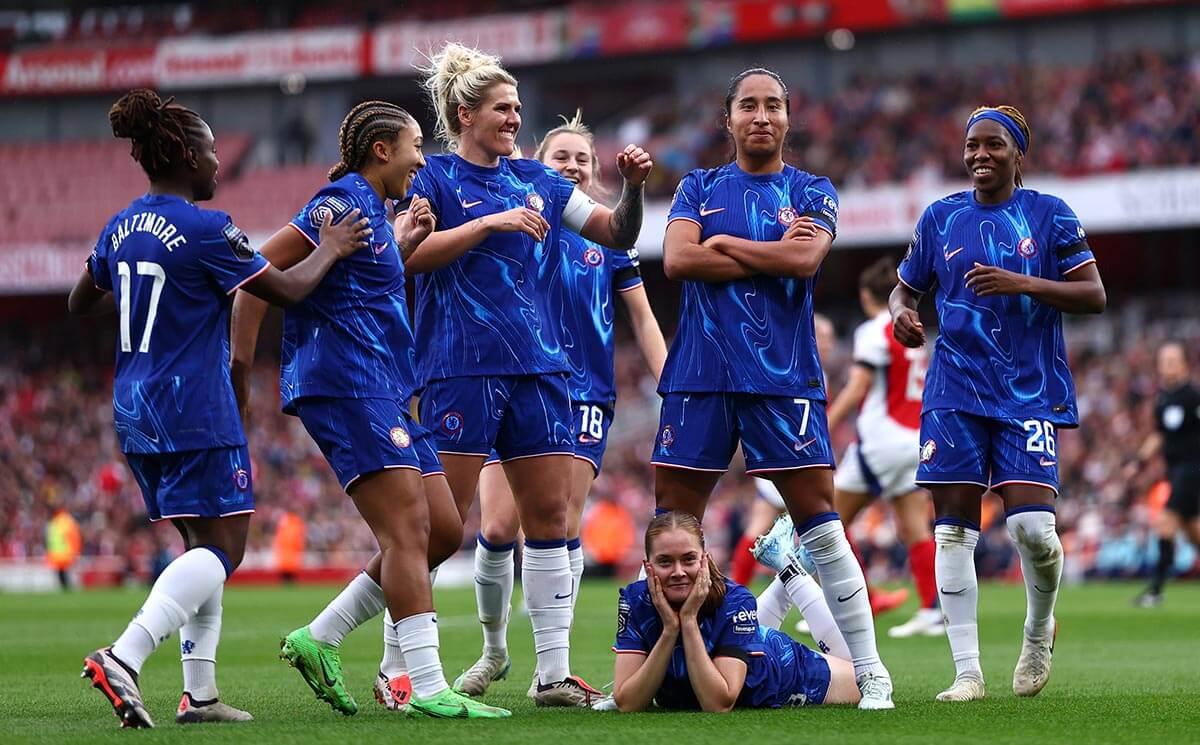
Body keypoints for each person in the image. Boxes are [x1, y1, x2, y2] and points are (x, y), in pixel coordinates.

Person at [72, 88, 370, 728]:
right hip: (193, 403)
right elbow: (286, 289)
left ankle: (199, 696)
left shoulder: (121, 224)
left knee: (199, 544)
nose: (217, 166)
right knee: (226, 548)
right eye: (210, 153)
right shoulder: (207, 228)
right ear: (183, 155)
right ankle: (124, 656)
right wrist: (334, 247)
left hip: (133, 404)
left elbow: (79, 300)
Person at [229, 100, 509, 719]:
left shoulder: (379, 215)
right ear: (382, 150)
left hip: (387, 388)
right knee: (407, 530)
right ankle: (427, 684)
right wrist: (239, 372)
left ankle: (319, 637)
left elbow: (363, 285)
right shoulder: (340, 203)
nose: (421, 160)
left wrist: (402, 243)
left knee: (441, 530)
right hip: (348, 385)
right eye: (415, 146)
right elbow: (250, 274)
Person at [403, 42, 652, 707]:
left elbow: (614, 232)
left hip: (540, 367)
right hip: (459, 365)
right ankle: (399, 665)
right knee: (442, 527)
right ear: (465, 113)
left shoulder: (539, 182)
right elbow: (410, 256)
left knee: (549, 516)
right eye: (503, 109)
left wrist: (634, 189)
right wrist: (489, 222)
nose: (516, 119)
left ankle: (551, 674)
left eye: (517, 108)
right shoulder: (430, 177)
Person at [654, 67, 892, 709]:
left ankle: (870, 670)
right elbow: (677, 261)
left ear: (789, 118)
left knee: (819, 522)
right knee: (673, 526)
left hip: (782, 378)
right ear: (727, 118)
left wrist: (724, 242)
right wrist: (764, 247)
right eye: (748, 106)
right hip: (700, 375)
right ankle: (668, 662)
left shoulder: (812, 190)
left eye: (773, 106)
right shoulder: (697, 185)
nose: (761, 116)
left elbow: (804, 260)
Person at [890, 105, 1106, 702]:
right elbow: (905, 286)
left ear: (1018, 154)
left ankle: (1039, 629)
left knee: (1033, 530)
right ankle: (967, 672)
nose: (980, 155)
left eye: (994, 146)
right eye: (972, 146)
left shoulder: (1050, 214)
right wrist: (901, 313)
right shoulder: (940, 217)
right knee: (953, 532)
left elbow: (1093, 294)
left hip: (1027, 391)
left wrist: (1024, 283)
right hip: (954, 390)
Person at [456, 111, 667, 698]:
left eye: (582, 159)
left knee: (559, 526)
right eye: (560, 158)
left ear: (594, 172)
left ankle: (553, 667)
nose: (572, 166)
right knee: (497, 527)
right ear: (537, 165)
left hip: (582, 395)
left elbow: (644, 320)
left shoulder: (607, 244)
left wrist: (671, 387)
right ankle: (494, 652)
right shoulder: (520, 225)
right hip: (514, 381)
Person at [610, 511, 861, 712]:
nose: (678, 572)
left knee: (861, 676)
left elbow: (718, 703)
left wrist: (687, 621)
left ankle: (790, 567)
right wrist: (669, 631)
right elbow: (629, 703)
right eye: (665, 562)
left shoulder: (736, 599)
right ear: (648, 566)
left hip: (788, 671)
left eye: (688, 559)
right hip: (741, 641)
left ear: (704, 560)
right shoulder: (635, 600)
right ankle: (791, 563)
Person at [1131, 342, 1200, 607]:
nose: (1168, 364)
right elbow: (1159, 435)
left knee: (1165, 522)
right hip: (1175, 471)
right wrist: (1137, 462)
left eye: (1173, 359)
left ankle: (1155, 591)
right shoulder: (1163, 399)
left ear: (1184, 363)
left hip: (1193, 469)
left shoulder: (1193, 396)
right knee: (1192, 530)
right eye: (1164, 360)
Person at [45, 504, 82, 590]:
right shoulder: (63, 521)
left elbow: (73, 537)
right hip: (63, 554)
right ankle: (67, 590)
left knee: (63, 576)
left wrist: (75, 551)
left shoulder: (58, 522)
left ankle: (67, 589)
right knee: (63, 576)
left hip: (62, 554)